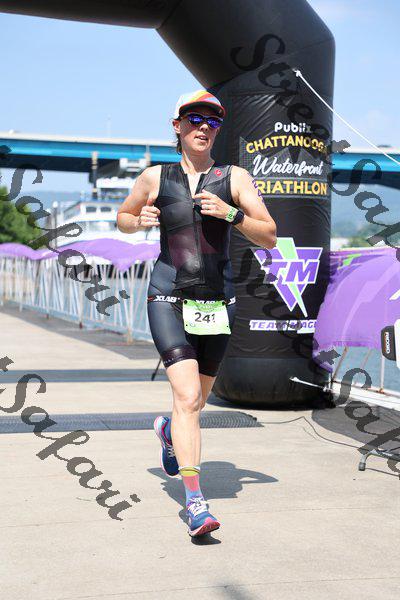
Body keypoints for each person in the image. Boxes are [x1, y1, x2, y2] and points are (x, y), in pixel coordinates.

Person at [117, 89, 276, 537]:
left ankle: (169, 432)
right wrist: (137, 221)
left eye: (213, 121)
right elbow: (123, 216)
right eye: (195, 119)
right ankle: (195, 503)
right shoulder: (154, 176)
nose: (204, 126)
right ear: (178, 126)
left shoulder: (235, 178)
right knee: (187, 398)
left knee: (196, 402)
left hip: (217, 300)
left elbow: (268, 234)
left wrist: (231, 215)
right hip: (167, 294)